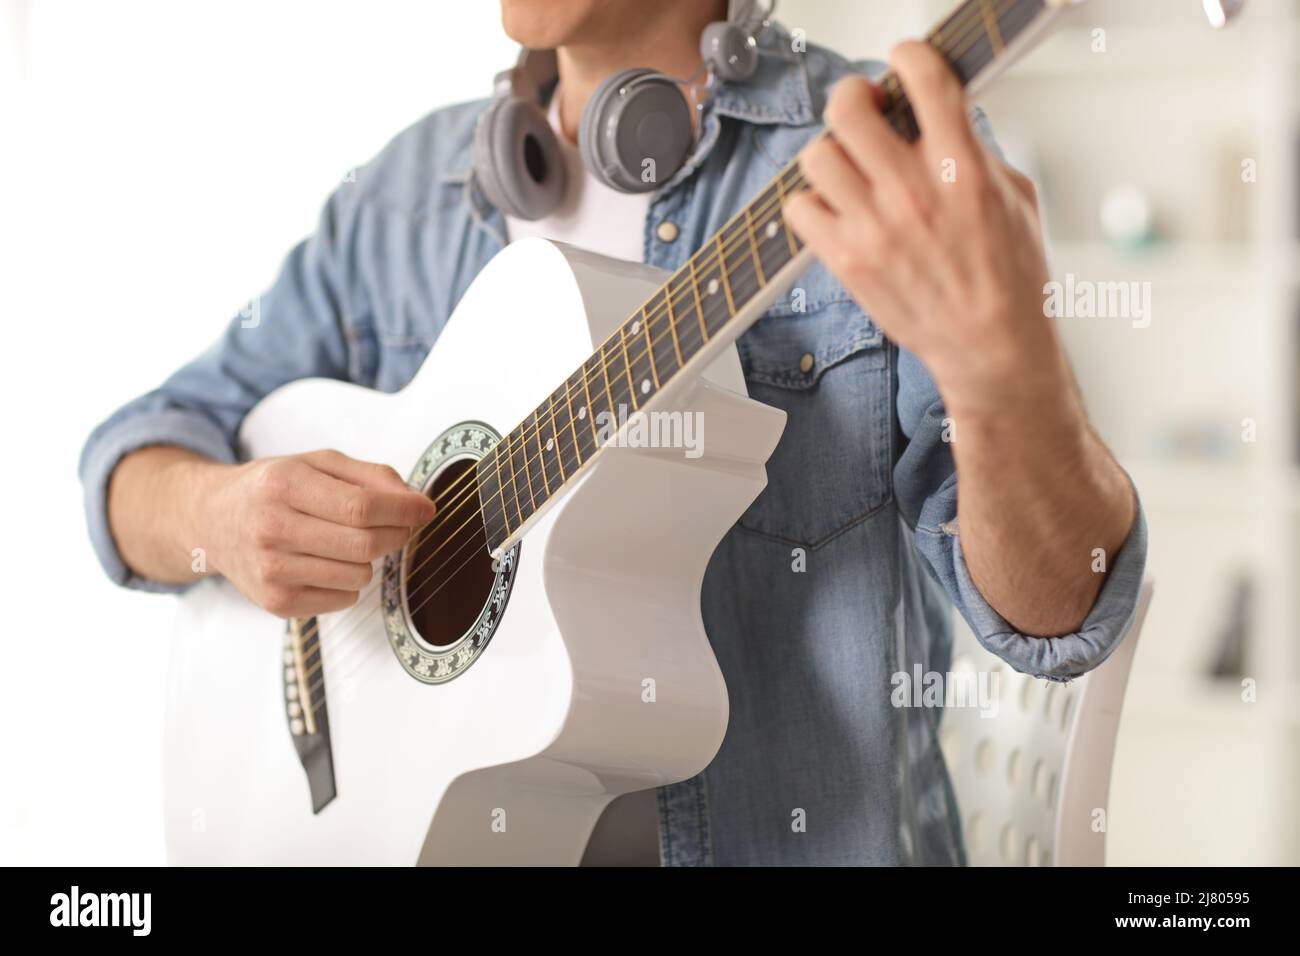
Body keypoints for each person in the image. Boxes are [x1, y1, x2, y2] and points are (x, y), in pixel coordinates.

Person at [79, 0, 1145, 865]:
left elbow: (1055, 611)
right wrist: (217, 513)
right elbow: (134, 460)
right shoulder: (402, 197)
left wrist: (1005, 379)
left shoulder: (883, 158)